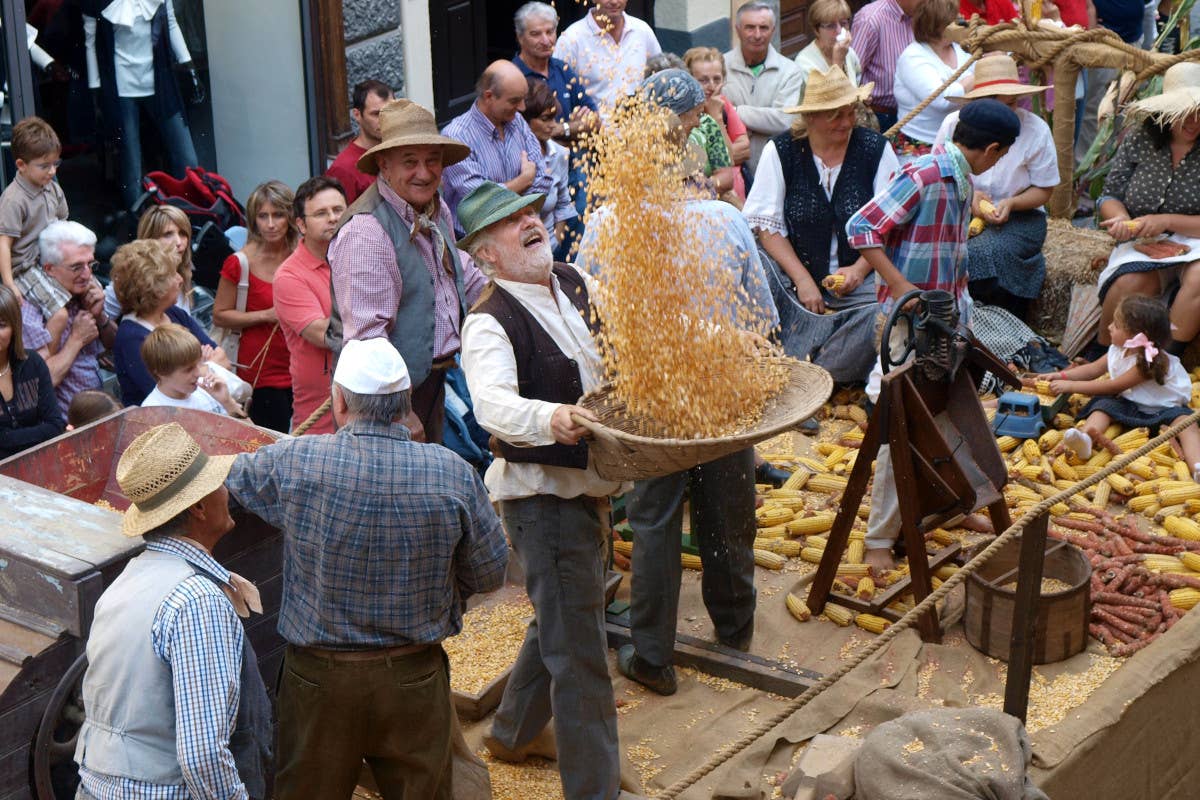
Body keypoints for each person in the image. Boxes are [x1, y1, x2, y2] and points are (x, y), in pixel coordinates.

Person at [224, 337, 509, 800]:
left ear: (337, 400)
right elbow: (490, 573)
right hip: (414, 674)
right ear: (406, 403)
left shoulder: (297, 461)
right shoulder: (452, 472)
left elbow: (228, 476)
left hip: (319, 681)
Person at [581, 74, 780, 697]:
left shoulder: (605, 223)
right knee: (728, 513)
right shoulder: (725, 221)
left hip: (650, 398)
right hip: (724, 395)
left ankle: (653, 656)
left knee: (655, 524)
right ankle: (735, 633)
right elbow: (762, 323)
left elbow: (595, 317)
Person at [457, 181, 622, 800]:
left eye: (529, 212)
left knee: (564, 615)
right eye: (510, 222)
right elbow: (493, 405)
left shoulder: (573, 280)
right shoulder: (489, 321)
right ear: (486, 254)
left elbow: (623, 332)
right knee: (580, 659)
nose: (531, 222)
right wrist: (552, 417)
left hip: (589, 482)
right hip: (542, 500)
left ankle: (511, 731)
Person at [846, 98, 1021, 573]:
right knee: (902, 428)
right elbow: (861, 227)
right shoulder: (924, 174)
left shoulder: (963, 181)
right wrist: (901, 285)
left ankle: (949, 504)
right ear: (989, 149)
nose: (999, 163)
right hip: (908, 325)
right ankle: (880, 537)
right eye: (1001, 155)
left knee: (947, 419)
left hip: (946, 322)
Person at [74, 422, 271, 800]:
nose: (226, 491)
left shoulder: (130, 578)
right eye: (218, 483)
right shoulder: (196, 600)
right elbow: (202, 754)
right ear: (198, 507)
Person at [328, 98, 489, 444]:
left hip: (430, 381)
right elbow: (367, 337)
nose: (425, 172)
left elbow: (459, 273)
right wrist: (398, 411)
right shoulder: (366, 232)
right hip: (384, 403)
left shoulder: (435, 207)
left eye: (433, 160)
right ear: (384, 166)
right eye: (410, 162)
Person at [744, 66, 899, 384]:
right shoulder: (782, 151)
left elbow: (888, 224)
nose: (846, 122)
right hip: (795, 282)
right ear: (811, 117)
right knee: (756, 265)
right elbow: (767, 227)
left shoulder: (875, 150)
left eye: (850, 113)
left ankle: (811, 374)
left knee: (885, 314)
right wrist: (802, 280)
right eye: (835, 116)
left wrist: (858, 270)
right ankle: (802, 360)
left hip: (860, 283)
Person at [933, 56, 1058, 320]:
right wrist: (971, 197)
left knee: (982, 252)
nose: (1011, 111)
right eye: (1004, 105)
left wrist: (1012, 203)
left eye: (1014, 103)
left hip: (1022, 216)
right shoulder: (952, 125)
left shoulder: (1036, 130)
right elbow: (940, 173)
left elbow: (1044, 190)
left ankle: (994, 321)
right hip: (962, 210)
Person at [1093, 61, 1200, 355]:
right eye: (1184, 113)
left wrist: (1166, 219)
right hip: (1145, 241)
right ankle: (1103, 356)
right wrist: (1122, 221)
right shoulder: (1141, 139)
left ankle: (1162, 360)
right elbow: (1109, 195)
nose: (1193, 121)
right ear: (1166, 111)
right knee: (1129, 282)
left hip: (1196, 240)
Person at [1045, 294, 1200, 479]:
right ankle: (1085, 438)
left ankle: (1197, 465)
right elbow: (1092, 370)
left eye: (1116, 325)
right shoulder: (1117, 350)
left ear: (1136, 335)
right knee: (1102, 407)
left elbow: (1113, 386)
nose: (1109, 327)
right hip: (1129, 404)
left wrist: (1070, 386)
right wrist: (1062, 375)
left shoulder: (1149, 362)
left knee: (1185, 424)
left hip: (1164, 410)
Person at [83, 0, 203, 209]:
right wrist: (95, 90)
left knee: (186, 156)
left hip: (159, 82)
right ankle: (137, 225)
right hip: (121, 86)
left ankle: (190, 216)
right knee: (131, 162)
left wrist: (189, 65)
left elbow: (171, 24)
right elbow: (90, 43)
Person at [213, 180, 296, 432]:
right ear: (253, 219)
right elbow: (220, 315)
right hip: (260, 373)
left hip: (300, 365)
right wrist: (266, 315)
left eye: (278, 215)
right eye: (263, 216)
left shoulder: (302, 253)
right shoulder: (240, 262)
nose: (270, 224)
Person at [440, 60, 554, 230]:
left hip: (522, 229)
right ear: (489, 96)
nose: (522, 108)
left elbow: (543, 180)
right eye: (515, 101)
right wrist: (523, 181)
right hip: (477, 241)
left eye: (523, 99)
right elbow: (480, 201)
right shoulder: (456, 136)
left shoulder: (518, 122)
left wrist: (509, 205)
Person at [112, 240, 227, 406]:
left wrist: (203, 367)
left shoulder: (174, 313)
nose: (180, 279)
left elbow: (224, 358)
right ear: (152, 286)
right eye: (173, 274)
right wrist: (206, 365)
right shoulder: (132, 338)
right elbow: (171, 394)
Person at [273, 176, 345, 434]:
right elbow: (324, 335)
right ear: (301, 224)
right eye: (321, 213)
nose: (333, 218)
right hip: (320, 416)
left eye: (338, 210)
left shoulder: (358, 257)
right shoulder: (288, 276)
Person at [20, 220, 115, 415]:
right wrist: (76, 340)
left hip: (97, 412)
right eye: (76, 267)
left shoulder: (82, 293)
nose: (87, 275)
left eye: (91, 264)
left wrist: (100, 317)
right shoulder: (29, 310)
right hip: (65, 426)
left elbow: (115, 348)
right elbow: (39, 384)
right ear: (49, 269)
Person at [0, 117, 69, 337]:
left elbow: (64, 224)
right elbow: (3, 243)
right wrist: (9, 283)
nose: (52, 172)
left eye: (55, 164)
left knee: (90, 292)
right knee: (60, 315)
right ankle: (47, 363)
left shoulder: (52, 188)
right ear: (21, 165)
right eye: (44, 166)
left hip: (50, 258)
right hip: (26, 267)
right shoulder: (13, 199)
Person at [723, 2, 804, 173]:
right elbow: (714, 116)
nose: (757, 34)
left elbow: (785, 120)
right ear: (737, 29)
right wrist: (765, 120)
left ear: (773, 30)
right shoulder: (721, 67)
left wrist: (735, 112)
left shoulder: (790, 71)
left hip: (775, 167)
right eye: (750, 28)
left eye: (764, 28)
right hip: (732, 168)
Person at [894, 0, 976, 162]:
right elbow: (942, 99)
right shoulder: (913, 57)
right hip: (919, 151)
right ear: (937, 24)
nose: (959, 21)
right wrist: (979, 74)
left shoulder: (959, 48)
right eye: (953, 19)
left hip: (958, 142)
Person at [643, 62, 739, 199]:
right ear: (675, 115)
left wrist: (698, 188)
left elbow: (726, 176)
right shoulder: (637, 151)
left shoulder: (706, 126)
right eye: (696, 114)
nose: (698, 123)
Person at [513, 2, 600, 146]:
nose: (546, 41)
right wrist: (573, 128)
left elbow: (594, 122)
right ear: (520, 37)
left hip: (572, 164)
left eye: (550, 32)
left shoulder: (563, 69)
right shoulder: (512, 76)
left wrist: (558, 129)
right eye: (536, 34)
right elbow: (520, 134)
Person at [553, 0, 662, 114]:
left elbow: (661, 79)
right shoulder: (571, 39)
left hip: (639, 127)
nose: (614, 2)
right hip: (593, 129)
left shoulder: (642, 31)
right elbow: (557, 92)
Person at [104, 205, 201, 322]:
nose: (179, 242)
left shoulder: (184, 270)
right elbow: (101, 315)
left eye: (182, 233)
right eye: (168, 234)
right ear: (150, 240)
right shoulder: (132, 276)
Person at [0, 285, 63, 458]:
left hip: (41, 463)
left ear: (14, 328)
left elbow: (55, 426)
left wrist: (6, 438)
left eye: (1, 325)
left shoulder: (32, 363)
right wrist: (36, 433)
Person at [684, 46, 751, 200]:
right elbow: (731, 156)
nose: (712, 86)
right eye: (703, 80)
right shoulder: (684, 113)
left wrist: (717, 118)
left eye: (717, 79)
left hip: (733, 191)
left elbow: (745, 149)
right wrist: (716, 157)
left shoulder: (722, 104)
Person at [521, 79, 578, 259]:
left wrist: (555, 241)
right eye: (545, 119)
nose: (553, 125)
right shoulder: (518, 157)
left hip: (550, 251)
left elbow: (563, 203)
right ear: (525, 121)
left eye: (554, 118)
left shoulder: (559, 154)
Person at [140, 323, 245, 416]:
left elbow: (254, 434)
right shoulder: (152, 413)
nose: (198, 373)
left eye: (198, 364)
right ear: (161, 372)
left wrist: (228, 402)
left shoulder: (208, 390)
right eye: (188, 369)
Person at [852, 0, 921, 131]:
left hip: (912, 113)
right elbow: (851, 73)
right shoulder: (870, 20)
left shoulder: (920, 14)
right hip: (879, 115)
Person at [327, 79, 395, 204]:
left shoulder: (398, 153)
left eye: (390, 112)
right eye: (376, 114)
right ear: (357, 115)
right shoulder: (344, 169)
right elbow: (339, 220)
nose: (385, 119)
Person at [795, 0, 864, 93]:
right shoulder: (804, 63)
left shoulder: (849, 52)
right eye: (831, 26)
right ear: (816, 30)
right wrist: (837, 63)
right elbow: (827, 104)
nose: (839, 31)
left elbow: (857, 82)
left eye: (843, 23)